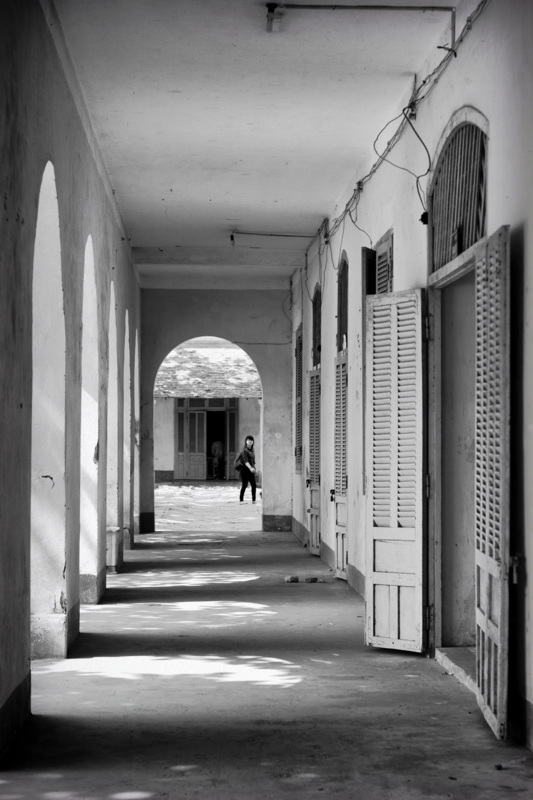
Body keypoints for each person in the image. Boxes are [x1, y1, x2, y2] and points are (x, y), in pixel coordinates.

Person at [235, 435, 257, 503]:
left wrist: (254, 468)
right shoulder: (244, 451)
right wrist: (250, 468)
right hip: (244, 470)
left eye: (251, 440)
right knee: (245, 485)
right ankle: (241, 500)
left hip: (251, 470)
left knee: (253, 485)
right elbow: (245, 461)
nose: (250, 442)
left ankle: (254, 500)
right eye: (248, 440)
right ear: (246, 441)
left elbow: (253, 461)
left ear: (253, 442)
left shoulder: (252, 450)